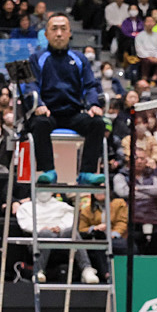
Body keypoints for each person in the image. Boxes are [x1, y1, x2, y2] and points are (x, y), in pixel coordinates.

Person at [23, 14, 106, 185]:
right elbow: (31, 86)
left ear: (69, 33)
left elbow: (90, 86)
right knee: (39, 123)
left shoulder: (79, 59)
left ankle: (87, 172)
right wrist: (39, 105)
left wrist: (93, 105)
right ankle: (48, 171)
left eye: (63, 29)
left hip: (73, 114)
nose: (59, 33)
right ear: (46, 35)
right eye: (54, 29)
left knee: (97, 123)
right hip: (47, 114)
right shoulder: (37, 58)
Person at [13, 191, 77, 283]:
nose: (43, 192)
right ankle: (38, 271)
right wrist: (40, 229)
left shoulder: (62, 206)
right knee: (46, 233)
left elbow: (71, 217)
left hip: (60, 239)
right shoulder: (26, 207)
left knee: (72, 232)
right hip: (37, 241)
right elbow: (25, 224)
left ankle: (87, 269)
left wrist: (60, 227)